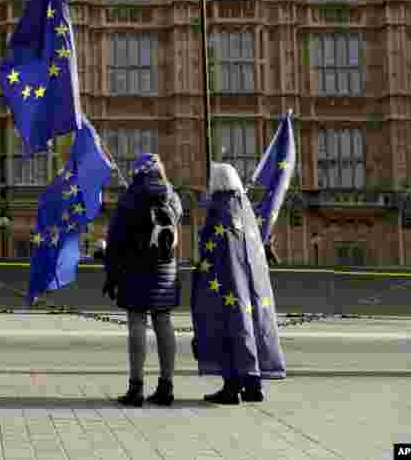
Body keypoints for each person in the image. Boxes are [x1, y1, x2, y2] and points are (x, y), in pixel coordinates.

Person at [191, 162, 286, 405]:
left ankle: (231, 387)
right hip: (252, 285)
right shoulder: (245, 208)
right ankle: (253, 386)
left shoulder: (220, 207)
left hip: (226, 283)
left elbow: (211, 248)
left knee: (229, 326)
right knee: (251, 325)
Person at [103, 153, 183, 407]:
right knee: (163, 321)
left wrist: (112, 274)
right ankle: (166, 386)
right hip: (165, 267)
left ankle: (136, 388)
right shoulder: (172, 195)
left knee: (137, 321)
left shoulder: (129, 197)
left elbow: (115, 240)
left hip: (135, 268)